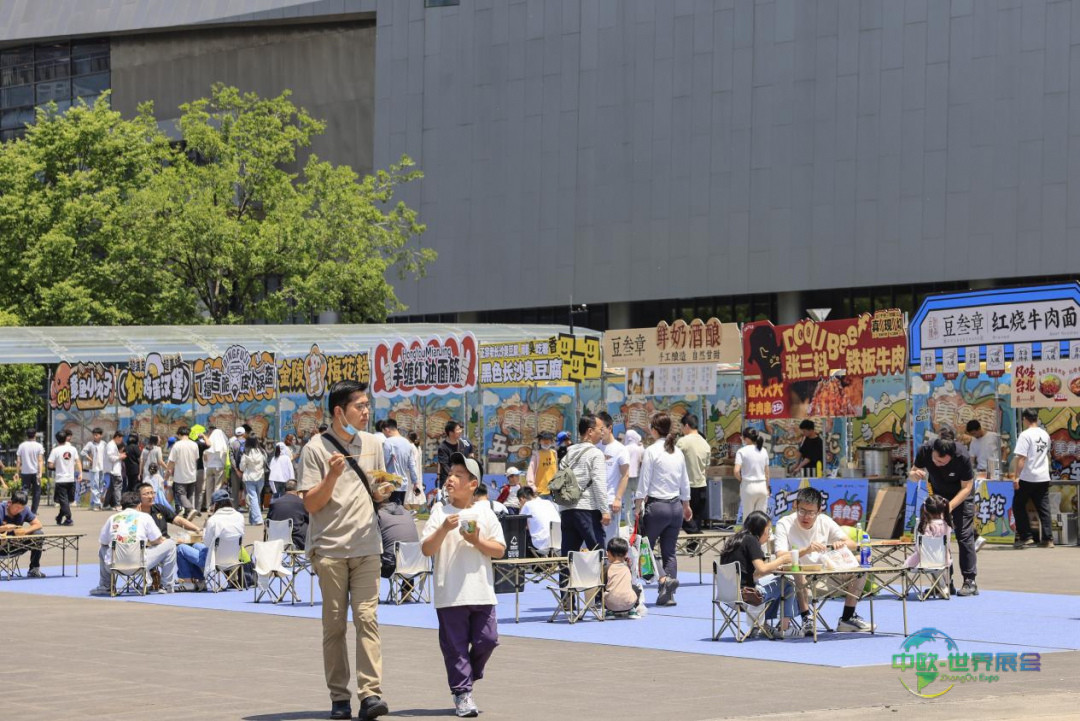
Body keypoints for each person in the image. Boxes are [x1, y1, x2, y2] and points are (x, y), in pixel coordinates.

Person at [299, 380, 390, 721]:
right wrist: (332, 477)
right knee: (335, 625)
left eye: (367, 405)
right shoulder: (315, 449)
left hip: (367, 545)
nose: (366, 412)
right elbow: (311, 503)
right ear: (339, 412)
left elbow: (376, 487)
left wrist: (381, 492)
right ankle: (339, 697)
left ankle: (371, 694)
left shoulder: (373, 443)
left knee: (367, 619)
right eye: (359, 406)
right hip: (330, 549)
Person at [421, 453, 506, 718]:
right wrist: (443, 529)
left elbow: (499, 550)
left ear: (472, 484)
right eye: (449, 475)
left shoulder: (485, 512)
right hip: (450, 593)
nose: (450, 479)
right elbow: (426, 549)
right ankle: (462, 693)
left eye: (458, 475)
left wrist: (477, 541)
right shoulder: (439, 512)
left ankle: (469, 673)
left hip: (481, 591)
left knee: (488, 640)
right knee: (455, 647)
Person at [773, 487, 873, 633]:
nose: (806, 516)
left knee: (861, 562)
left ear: (819, 511)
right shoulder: (784, 524)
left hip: (825, 576)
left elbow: (851, 543)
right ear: (795, 506)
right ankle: (806, 618)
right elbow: (781, 556)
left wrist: (840, 544)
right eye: (802, 511)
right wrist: (806, 550)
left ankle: (847, 618)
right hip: (797, 582)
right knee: (797, 566)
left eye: (811, 512)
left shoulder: (825, 521)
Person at [634, 412, 691, 607]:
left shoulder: (651, 451)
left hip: (657, 506)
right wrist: (686, 505)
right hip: (675, 507)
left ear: (654, 429)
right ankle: (668, 592)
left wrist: (638, 506)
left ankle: (661, 580)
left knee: (645, 548)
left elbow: (644, 481)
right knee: (670, 552)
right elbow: (685, 481)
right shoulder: (677, 452)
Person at [909, 437, 977, 596]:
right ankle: (944, 582)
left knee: (964, 535)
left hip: (961, 496)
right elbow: (912, 472)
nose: (937, 464)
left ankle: (970, 581)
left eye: (942, 462)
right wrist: (914, 474)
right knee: (937, 536)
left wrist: (949, 507)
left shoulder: (962, 457)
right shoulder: (925, 450)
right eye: (935, 460)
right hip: (938, 495)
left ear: (951, 457)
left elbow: (967, 487)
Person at [718, 510, 799, 638]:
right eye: (768, 529)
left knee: (771, 582)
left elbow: (752, 573)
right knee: (787, 583)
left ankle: (762, 625)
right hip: (747, 596)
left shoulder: (735, 540)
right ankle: (785, 628)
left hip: (727, 596)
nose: (769, 534)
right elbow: (762, 569)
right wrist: (782, 560)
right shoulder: (751, 540)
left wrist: (773, 568)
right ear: (760, 529)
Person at [89, 491, 178, 596]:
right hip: (139, 563)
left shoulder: (113, 518)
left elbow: (103, 541)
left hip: (115, 565)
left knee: (103, 549)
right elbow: (157, 540)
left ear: (122, 506)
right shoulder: (145, 517)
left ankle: (106, 586)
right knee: (170, 544)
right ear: (139, 505)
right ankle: (166, 585)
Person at [558, 414, 610, 558]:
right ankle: (600, 575)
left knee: (568, 556)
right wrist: (605, 510)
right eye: (600, 429)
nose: (602, 433)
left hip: (567, 509)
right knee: (598, 554)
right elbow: (599, 483)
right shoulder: (595, 453)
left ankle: (565, 574)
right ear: (590, 431)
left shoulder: (567, 453)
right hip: (587, 508)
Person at [174, 488, 246, 588]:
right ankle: (200, 580)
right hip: (234, 558)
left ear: (215, 504)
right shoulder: (240, 517)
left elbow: (207, 543)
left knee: (181, 548)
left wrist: (205, 529)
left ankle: (188, 582)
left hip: (214, 560)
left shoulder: (213, 520)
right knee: (196, 545)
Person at [1012, 408, 1054, 549]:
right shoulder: (1044, 434)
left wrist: (1016, 477)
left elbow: (1021, 458)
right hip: (1043, 476)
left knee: (1018, 505)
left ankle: (1026, 536)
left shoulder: (1025, 435)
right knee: (1043, 508)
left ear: (1025, 419)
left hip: (1028, 476)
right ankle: (1048, 538)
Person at [903, 494, 953, 595]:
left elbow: (918, 548)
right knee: (936, 563)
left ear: (925, 509)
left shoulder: (924, 525)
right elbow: (947, 545)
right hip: (943, 560)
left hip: (924, 561)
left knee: (908, 565)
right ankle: (942, 586)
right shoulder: (947, 525)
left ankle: (942, 587)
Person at [596, 411, 630, 543]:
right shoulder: (595, 447)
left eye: (601, 429)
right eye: (596, 429)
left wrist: (618, 498)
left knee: (610, 541)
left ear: (610, 428)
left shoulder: (620, 449)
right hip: (595, 502)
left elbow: (625, 475)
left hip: (610, 502)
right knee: (594, 542)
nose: (599, 432)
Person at [677, 413, 712, 534]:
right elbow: (707, 467)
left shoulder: (683, 441)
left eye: (682, 427)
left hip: (687, 486)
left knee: (684, 516)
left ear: (686, 426)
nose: (681, 430)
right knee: (696, 517)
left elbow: (673, 460)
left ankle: (696, 533)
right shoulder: (705, 443)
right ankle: (695, 542)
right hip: (702, 485)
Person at [0, 490, 46, 578]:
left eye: (21, 508)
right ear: (10, 503)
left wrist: (25, 531)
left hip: (15, 545)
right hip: (1, 546)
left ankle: (34, 569)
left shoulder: (25, 510)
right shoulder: (1, 508)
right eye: (16, 507)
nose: (18, 510)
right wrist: (4, 528)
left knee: (38, 534)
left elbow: (38, 524)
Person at [135, 482, 199, 540]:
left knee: (198, 545)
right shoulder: (135, 514)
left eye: (152, 493)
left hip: (166, 542)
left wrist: (197, 529)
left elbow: (179, 521)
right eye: (146, 494)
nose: (151, 496)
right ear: (138, 497)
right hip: (151, 545)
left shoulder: (159, 508)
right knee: (182, 547)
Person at [377, 497, 420, 579]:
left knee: (368, 560)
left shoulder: (379, 515)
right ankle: (407, 587)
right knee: (407, 552)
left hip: (392, 569)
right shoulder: (406, 512)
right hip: (416, 566)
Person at [382, 418, 420, 505]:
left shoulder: (388, 442)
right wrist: (415, 482)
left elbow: (384, 463)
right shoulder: (407, 443)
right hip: (403, 484)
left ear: (387, 430)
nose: (385, 435)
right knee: (400, 509)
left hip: (390, 484)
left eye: (384, 433)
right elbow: (412, 465)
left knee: (390, 510)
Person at [47, 430, 81, 526]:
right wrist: (80, 473)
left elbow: (50, 465)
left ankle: (64, 517)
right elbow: (78, 461)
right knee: (67, 500)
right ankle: (64, 518)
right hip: (71, 479)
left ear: (57, 440)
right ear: (66, 438)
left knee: (64, 501)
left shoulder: (55, 450)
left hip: (60, 480)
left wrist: (57, 467)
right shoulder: (73, 449)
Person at [735, 428, 771, 516]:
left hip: (748, 486)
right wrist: (767, 487)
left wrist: (742, 480)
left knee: (748, 516)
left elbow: (736, 471)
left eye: (742, 437)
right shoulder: (763, 450)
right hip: (762, 486)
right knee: (761, 517)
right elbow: (767, 473)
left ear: (746, 438)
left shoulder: (741, 451)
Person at [603, 536, 641, 618]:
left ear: (608, 553)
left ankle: (609, 611)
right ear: (626, 554)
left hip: (611, 604)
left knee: (602, 587)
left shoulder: (607, 568)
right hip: (628, 603)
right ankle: (632, 610)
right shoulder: (626, 567)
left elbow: (603, 583)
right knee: (635, 588)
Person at [517, 486, 560, 556]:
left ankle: (527, 562)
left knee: (521, 534)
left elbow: (520, 524)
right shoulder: (548, 502)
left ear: (522, 498)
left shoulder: (527, 505)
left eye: (519, 501)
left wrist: (521, 507)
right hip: (558, 542)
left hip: (541, 544)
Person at [167, 426, 200, 516]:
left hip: (180, 476)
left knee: (181, 495)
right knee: (189, 495)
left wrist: (167, 473)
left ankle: (190, 509)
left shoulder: (177, 445)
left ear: (179, 434)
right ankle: (187, 514)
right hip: (192, 475)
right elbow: (196, 458)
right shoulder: (194, 445)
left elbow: (171, 462)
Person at [268, 480, 309, 550]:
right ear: (298, 491)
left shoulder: (274, 503)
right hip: (297, 540)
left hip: (275, 538)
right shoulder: (302, 503)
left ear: (285, 490)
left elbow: (268, 521)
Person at [239, 436, 268, 526]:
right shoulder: (262, 452)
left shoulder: (246, 453)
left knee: (253, 498)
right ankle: (252, 519)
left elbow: (242, 467)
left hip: (249, 477)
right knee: (256, 498)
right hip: (260, 477)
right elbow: (265, 463)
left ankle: (258, 519)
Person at [16, 428, 45, 514]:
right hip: (35, 472)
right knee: (36, 492)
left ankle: (22, 509)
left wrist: (17, 473)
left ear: (27, 435)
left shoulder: (22, 446)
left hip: (25, 472)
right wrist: (40, 473)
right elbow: (40, 460)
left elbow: (18, 461)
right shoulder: (39, 446)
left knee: (24, 491)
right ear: (35, 435)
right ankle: (33, 511)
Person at [81, 427, 107, 511]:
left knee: (101, 485)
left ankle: (95, 503)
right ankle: (97, 504)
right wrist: (89, 458)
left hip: (102, 467)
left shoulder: (104, 444)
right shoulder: (90, 444)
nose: (95, 436)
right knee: (94, 485)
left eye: (97, 435)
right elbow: (83, 452)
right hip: (94, 467)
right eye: (94, 435)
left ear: (101, 435)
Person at [525, 431, 558, 498]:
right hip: (540, 491)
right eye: (544, 440)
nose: (546, 442)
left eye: (548, 440)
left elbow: (556, 470)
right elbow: (531, 471)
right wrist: (532, 486)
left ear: (551, 441)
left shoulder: (554, 453)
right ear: (539, 441)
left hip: (553, 490)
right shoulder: (536, 454)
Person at [437, 421, 470, 489]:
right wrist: (456, 476)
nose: (460, 431)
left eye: (460, 429)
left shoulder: (462, 444)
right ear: (451, 433)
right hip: (448, 481)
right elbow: (445, 466)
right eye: (458, 429)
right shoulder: (443, 447)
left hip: (461, 480)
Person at [203, 426, 230, 510]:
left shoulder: (209, 444)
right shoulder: (222, 445)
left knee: (209, 488)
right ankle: (215, 505)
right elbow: (224, 458)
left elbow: (205, 458)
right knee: (217, 487)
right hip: (219, 467)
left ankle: (209, 506)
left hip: (209, 468)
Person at [622, 430, 644, 525]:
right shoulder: (640, 448)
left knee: (627, 504)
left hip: (626, 478)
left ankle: (629, 526)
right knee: (640, 501)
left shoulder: (623, 449)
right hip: (638, 478)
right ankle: (641, 521)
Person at [103, 430, 126, 511]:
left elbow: (113, 456)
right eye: (121, 439)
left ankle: (106, 504)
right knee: (118, 487)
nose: (121, 441)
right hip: (114, 470)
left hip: (114, 469)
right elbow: (111, 457)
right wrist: (120, 457)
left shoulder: (112, 445)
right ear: (117, 437)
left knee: (112, 488)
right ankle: (118, 504)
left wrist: (119, 455)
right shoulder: (111, 445)